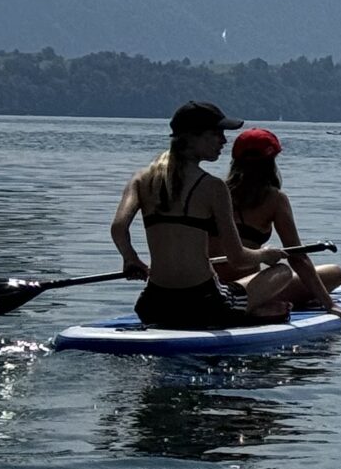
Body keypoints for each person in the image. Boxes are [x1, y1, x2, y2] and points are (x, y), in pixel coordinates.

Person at [111, 101, 295, 329]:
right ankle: (253, 314)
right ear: (193, 137)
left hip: (153, 304)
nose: (224, 141)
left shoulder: (140, 179)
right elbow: (238, 258)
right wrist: (265, 255)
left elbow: (118, 228)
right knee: (283, 272)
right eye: (217, 133)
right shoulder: (214, 188)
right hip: (205, 305)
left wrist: (130, 258)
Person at [218, 127, 341, 328]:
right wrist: (329, 304)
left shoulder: (215, 192)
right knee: (334, 272)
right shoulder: (274, 199)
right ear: (271, 162)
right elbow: (298, 257)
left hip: (210, 286)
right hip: (248, 290)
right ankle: (261, 306)